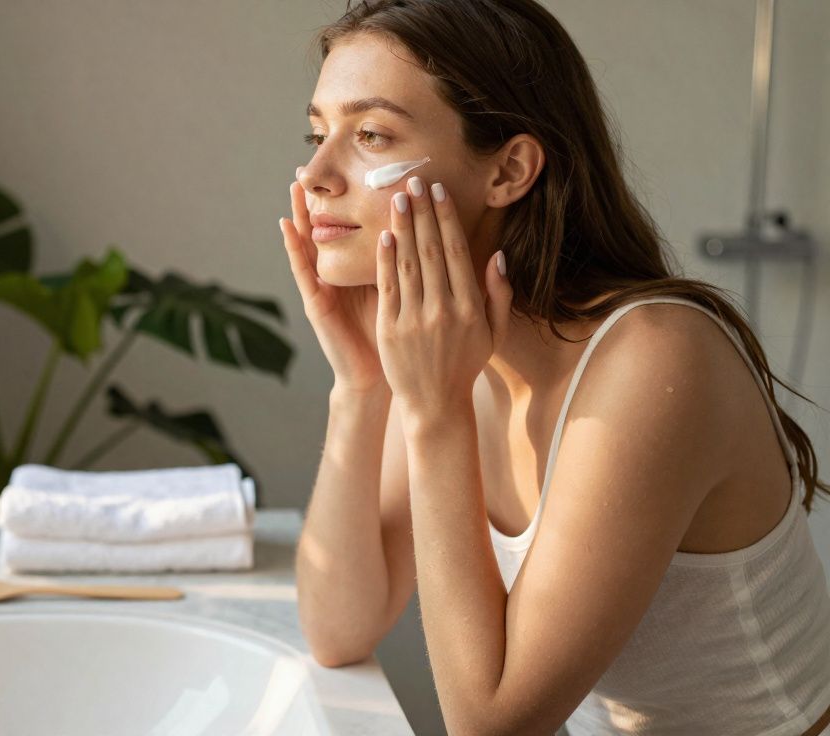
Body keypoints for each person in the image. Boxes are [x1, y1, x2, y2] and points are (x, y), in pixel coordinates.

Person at [281, 1, 830, 734]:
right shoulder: (457, 347)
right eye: (318, 134)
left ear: (509, 169)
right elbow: (338, 627)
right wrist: (361, 384)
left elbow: (491, 725)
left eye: (371, 134)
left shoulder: (655, 358)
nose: (316, 173)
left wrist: (434, 411)